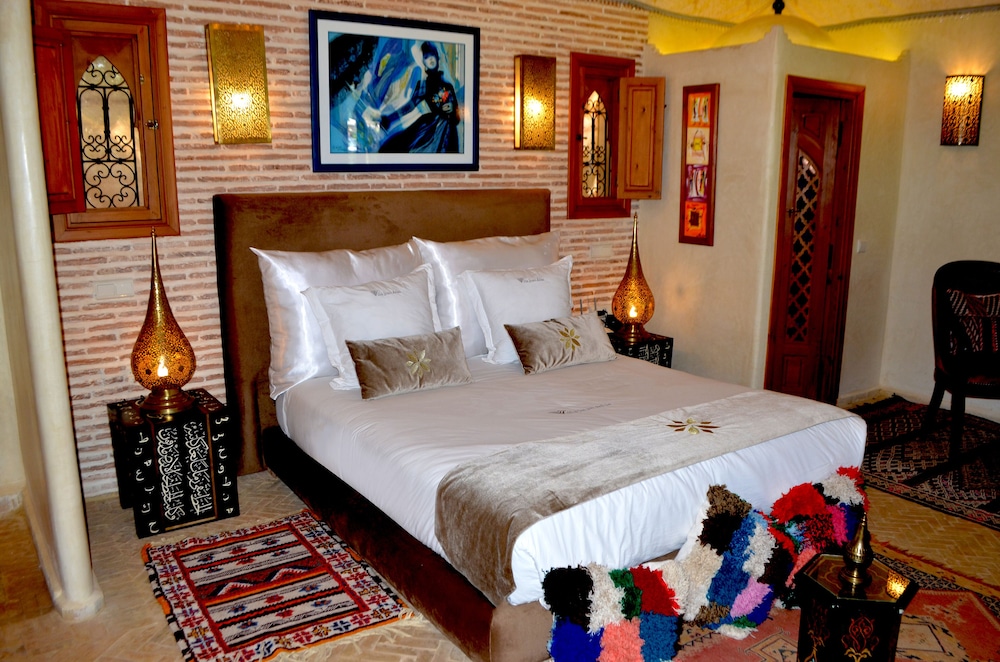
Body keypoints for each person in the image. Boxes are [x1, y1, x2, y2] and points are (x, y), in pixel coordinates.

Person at [376, 42, 461, 153]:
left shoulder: (448, 86)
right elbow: (409, 106)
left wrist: (453, 110)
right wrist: (390, 119)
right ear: (424, 62)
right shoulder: (424, 85)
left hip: (449, 132)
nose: (430, 59)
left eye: (432, 55)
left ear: (437, 57)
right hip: (431, 130)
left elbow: (457, 118)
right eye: (426, 57)